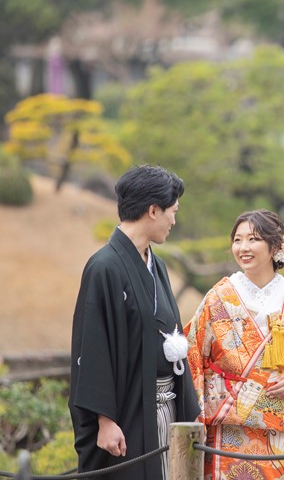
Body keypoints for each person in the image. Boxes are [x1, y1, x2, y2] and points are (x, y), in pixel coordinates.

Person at [185, 209, 284, 480]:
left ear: (275, 247)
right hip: (231, 426)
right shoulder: (218, 297)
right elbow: (193, 353)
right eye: (237, 240)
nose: (243, 248)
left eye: (253, 239)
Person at [69, 165, 200, 480]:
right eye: (172, 212)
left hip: (165, 405)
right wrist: (104, 420)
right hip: (127, 410)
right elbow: (93, 346)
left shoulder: (158, 265)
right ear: (153, 210)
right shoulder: (103, 267)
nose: (174, 220)